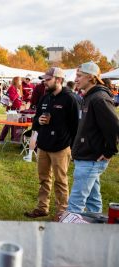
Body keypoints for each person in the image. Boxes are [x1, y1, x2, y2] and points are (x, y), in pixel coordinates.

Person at [24, 67, 79, 220]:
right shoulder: (45, 97)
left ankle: (62, 213)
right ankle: (42, 207)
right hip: (43, 145)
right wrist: (39, 121)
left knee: (61, 181)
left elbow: (76, 126)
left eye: (48, 80)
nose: (44, 82)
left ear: (59, 80)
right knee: (43, 179)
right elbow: (35, 121)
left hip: (61, 147)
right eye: (44, 79)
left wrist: (73, 148)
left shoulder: (70, 98)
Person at [67, 61, 119, 214]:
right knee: (93, 202)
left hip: (91, 159)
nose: (76, 79)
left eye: (79, 76)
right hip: (87, 157)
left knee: (75, 205)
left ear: (90, 77)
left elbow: (114, 127)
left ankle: (67, 236)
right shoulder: (89, 97)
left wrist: (110, 151)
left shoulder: (99, 98)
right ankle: (97, 231)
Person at [0, 76, 23, 143]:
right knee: (8, 124)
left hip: (17, 108)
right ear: (16, 81)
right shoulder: (12, 88)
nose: (21, 82)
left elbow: (18, 99)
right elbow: (12, 98)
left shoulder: (16, 88)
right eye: (20, 80)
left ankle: (13, 138)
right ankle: (1, 139)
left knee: (13, 124)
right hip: (12, 109)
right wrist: (17, 94)